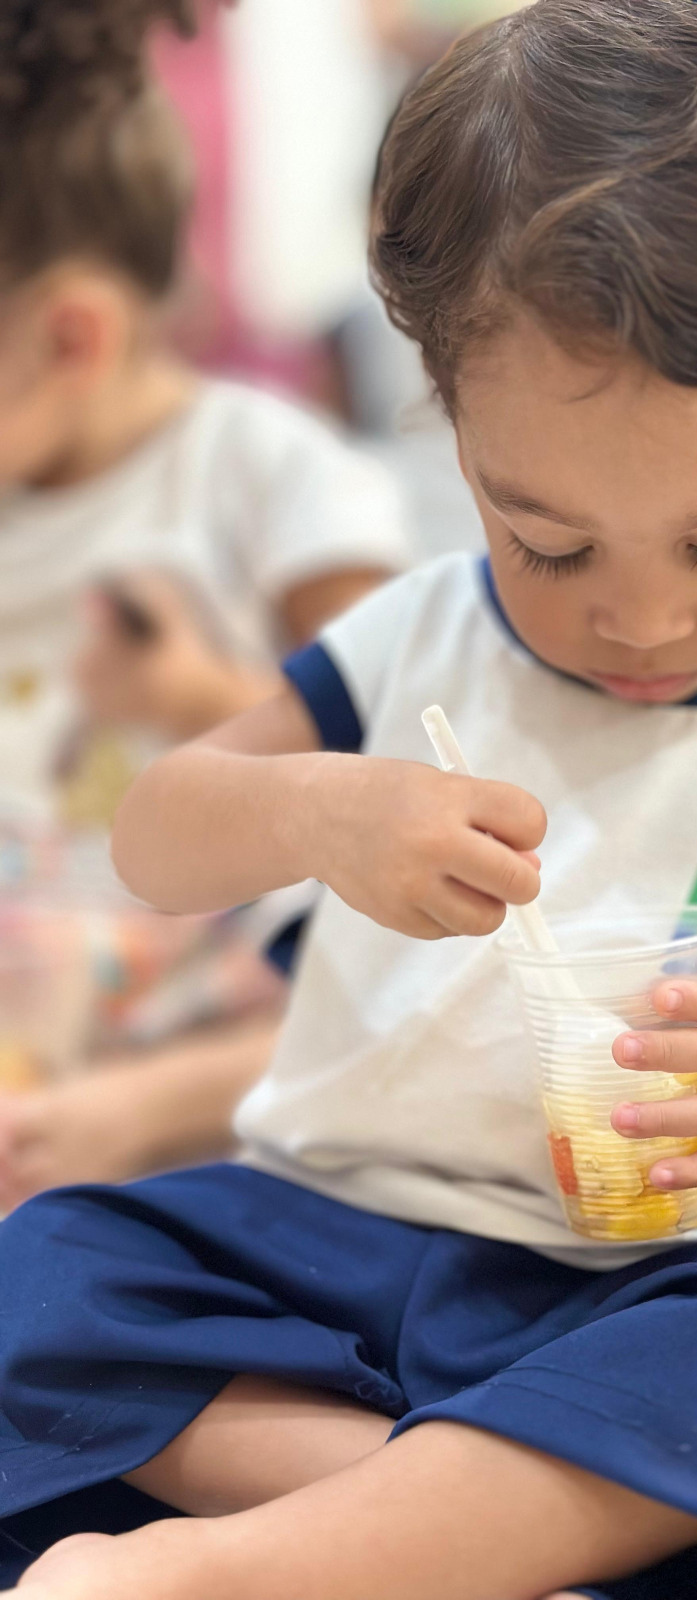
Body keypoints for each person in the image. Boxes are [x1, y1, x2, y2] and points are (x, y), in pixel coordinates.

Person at [0, 4, 697, 1596]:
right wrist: (316, 813)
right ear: (448, 416)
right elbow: (157, 836)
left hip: (676, 1268)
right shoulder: (412, 635)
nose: (637, 618)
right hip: (339, 1230)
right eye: (546, 540)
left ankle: (233, 1566)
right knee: (44, 1271)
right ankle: (494, 1526)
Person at [0, 0, 409, 1205]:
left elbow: (405, 778)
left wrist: (197, 696)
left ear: (71, 338)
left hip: (223, 1040)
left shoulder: (266, 476)